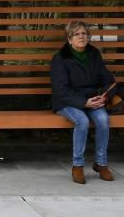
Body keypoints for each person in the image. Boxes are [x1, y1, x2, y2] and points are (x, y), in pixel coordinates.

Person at [50, 20, 117, 185]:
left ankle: (101, 163)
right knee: (82, 121)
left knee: (103, 119)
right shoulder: (60, 59)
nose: (81, 36)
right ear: (69, 39)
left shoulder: (94, 54)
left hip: (93, 100)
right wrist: (83, 102)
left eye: (84, 33)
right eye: (76, 34)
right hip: (67, 102)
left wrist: (104, 97)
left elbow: (109, 80)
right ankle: (77, 165)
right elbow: (61, 90)